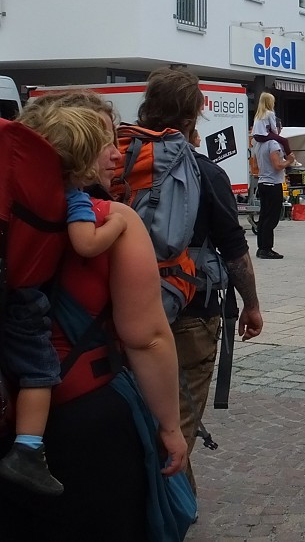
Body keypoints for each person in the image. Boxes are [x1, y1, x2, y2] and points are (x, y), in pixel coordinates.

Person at [1, 91, 188, 540]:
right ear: (77, 150)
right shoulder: (111, 219)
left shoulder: (12, 215)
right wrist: (171, 426)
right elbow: (148, 338)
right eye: (106, 140)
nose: (116, 152)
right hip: (85, 414)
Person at [138, 67, 264, 495]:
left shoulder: (122, 164)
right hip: (193, 311)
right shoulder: (206, 174)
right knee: (180, 424)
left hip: (128, 312)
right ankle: (166, 516)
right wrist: (252, 304)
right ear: (193, 116)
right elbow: (234, 252)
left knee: (142, 414)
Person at [0, 106, 127, 496]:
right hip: (19, 297)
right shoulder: (72, 196)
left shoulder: (14, 176)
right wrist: (120, 223)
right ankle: (27, 450)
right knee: (39, 370)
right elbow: (85, 244)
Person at [254, 123, 293, 260]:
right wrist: (289, 161)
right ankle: (266, 248)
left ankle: (261, 247)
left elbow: (254, 163)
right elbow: (277, 165)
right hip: (273, 183)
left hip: (263, 181)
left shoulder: (258, 144)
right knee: (272, 217)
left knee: (264, 216)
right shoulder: (273, 143)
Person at [251, 91, 291, 156]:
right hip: (263, 135)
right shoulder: (270, 113)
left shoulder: (258, 114)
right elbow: (274, 128)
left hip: (256, 136)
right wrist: (277, 136)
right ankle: (291, 158)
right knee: (284, 141)